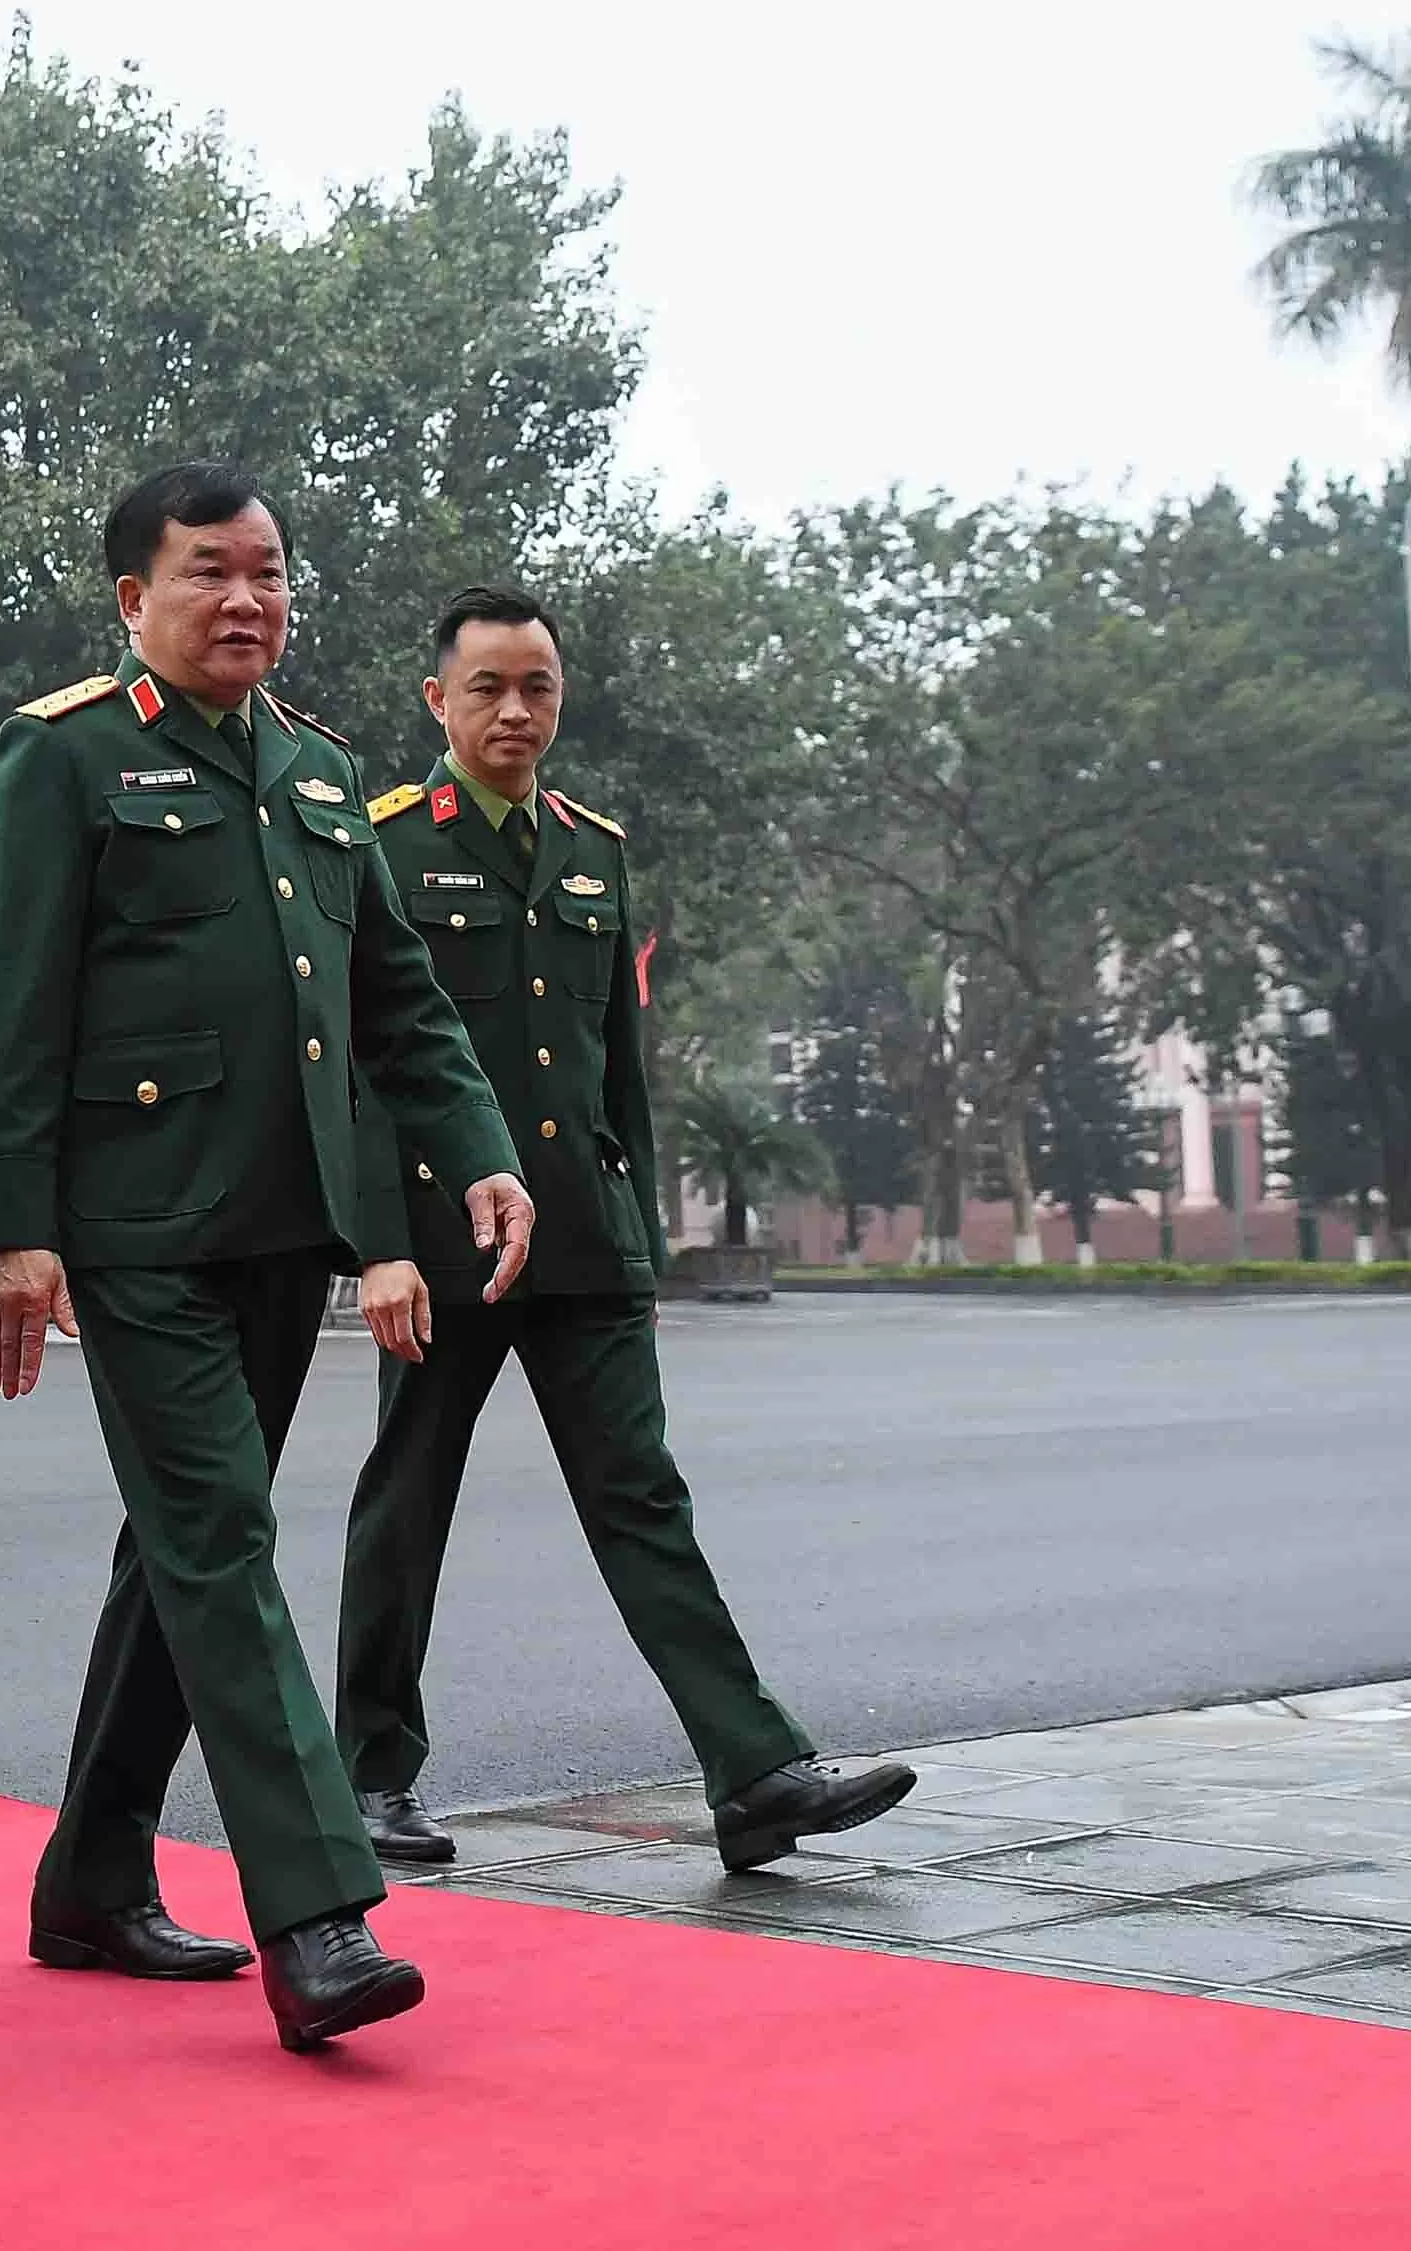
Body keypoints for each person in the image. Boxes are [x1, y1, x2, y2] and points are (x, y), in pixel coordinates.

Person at [0, 462, 532, 2054]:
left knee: (184, 1542)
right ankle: (317, 1909)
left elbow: (398, 995)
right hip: (135, 1226)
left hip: (284, 1225)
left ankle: (87, 1874)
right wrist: (10, 1228)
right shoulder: (65, 755)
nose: (249, 601)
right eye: (210, 572)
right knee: (221, 1538)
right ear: (133, 597)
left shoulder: (320, 769)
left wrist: (476, 1144)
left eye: (269, 573)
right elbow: (12, 1001)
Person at [338, 588, 915, 1875]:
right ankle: (369, 1778)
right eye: (485, 687)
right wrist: (377, 1245)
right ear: (438, 701)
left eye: (536, 686)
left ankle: (754, 1770)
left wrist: (638, 1241)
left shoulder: (592, 849)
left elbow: (620, 1075)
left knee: (642, 1497)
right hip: (446, 1242)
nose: (513, 711)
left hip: (585, 1241)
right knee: (408, 1498)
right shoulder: (381, 846)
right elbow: (370, 1072)